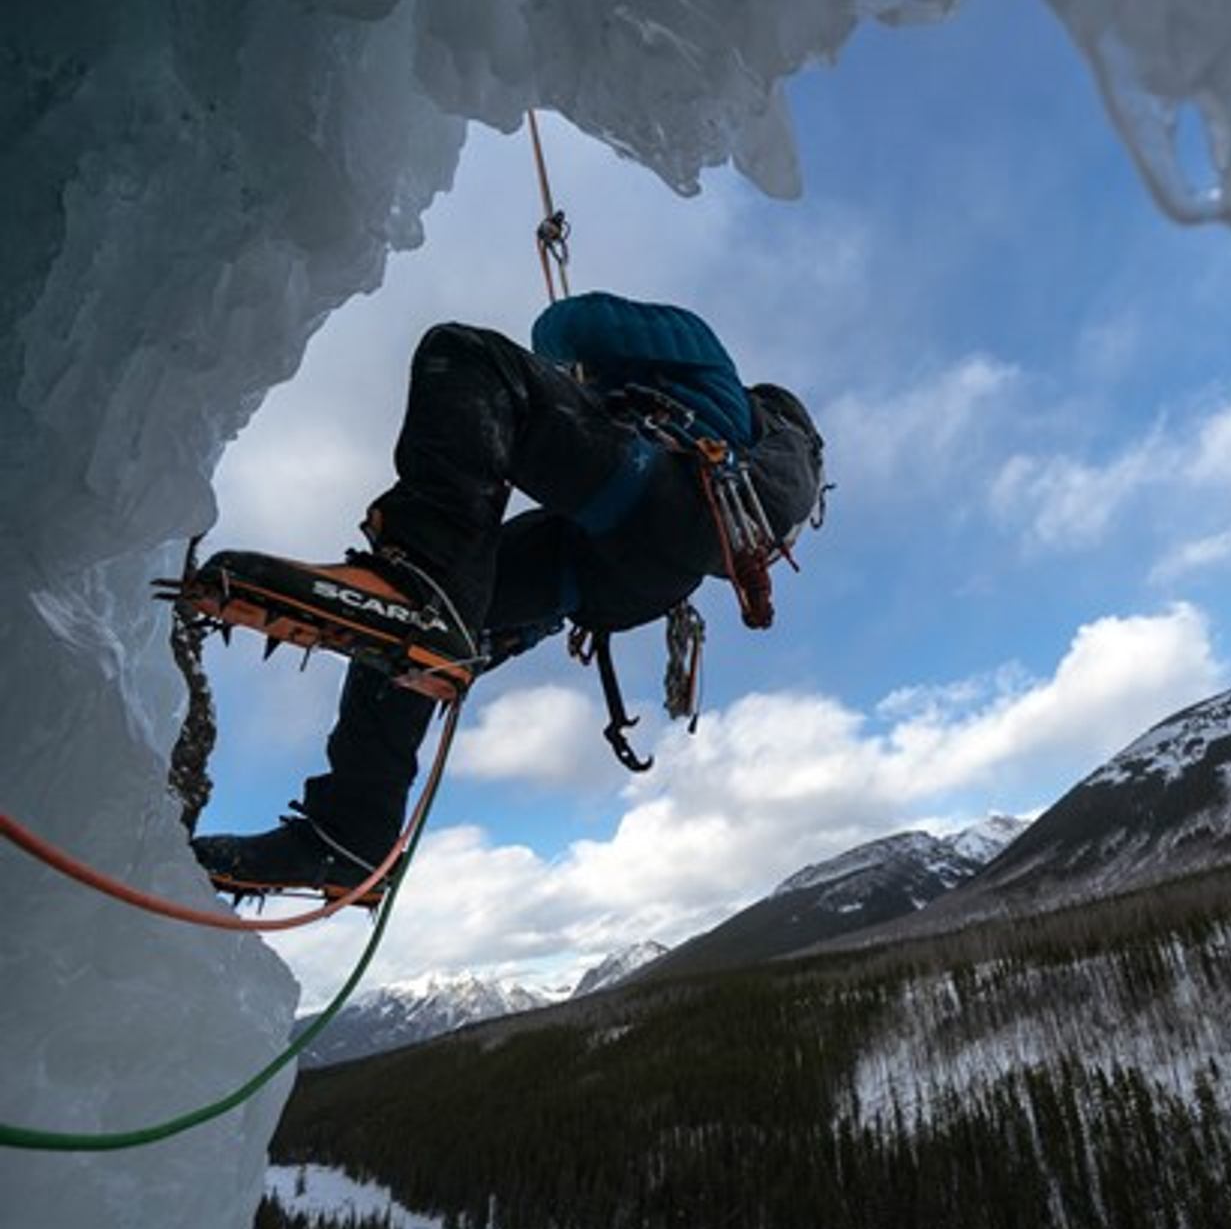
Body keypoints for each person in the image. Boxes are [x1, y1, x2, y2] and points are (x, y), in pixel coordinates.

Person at [185, 292, 824, 901]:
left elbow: (567, 324)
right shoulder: (752, 455)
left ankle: (425, 609)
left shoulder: (705, 356)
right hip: (628, 576)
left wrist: (581, 371)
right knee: (404, 638)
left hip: (653, 501)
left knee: (468, 357)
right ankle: (350, 837)